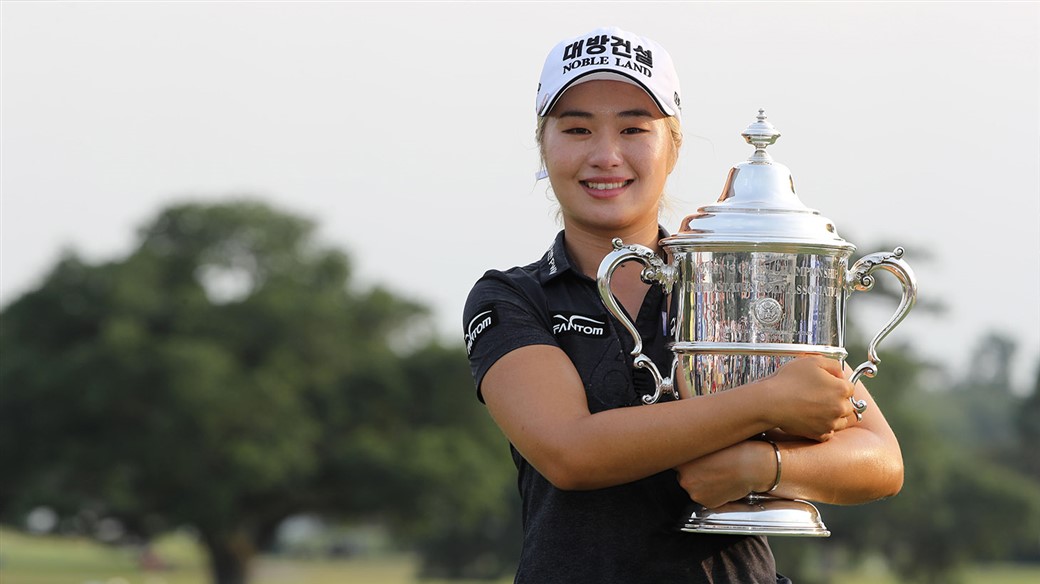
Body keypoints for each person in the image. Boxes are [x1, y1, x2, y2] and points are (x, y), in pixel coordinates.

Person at [462, 26, 903, 583]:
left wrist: (765, 466)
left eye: (633, 128)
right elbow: (571, 453)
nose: (605, 155)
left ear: (673, 146)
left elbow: (880, 460)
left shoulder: (733, 279)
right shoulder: (513, 297)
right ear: (543, 146)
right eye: (576, 129)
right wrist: (766, 403)